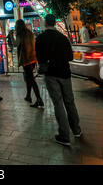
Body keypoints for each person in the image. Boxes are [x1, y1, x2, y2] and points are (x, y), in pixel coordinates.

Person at [36, 14, 81, 146]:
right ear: (55, 23)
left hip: (51, 74)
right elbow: (70, 56)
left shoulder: (41, 38)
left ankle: (64, 135)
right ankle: (76, 130)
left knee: (58, 103)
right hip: (65, 73)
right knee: (70, 102)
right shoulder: (63, 38)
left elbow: (40, 58)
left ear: (45, 23)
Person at [15, 19, 44, 108]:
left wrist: (11, 37)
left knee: (31, 79)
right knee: (29, 78)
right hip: (32, 58)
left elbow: (16, 44)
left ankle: (39, 99)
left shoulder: (20, 34)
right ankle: (28, 96)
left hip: (26, 59)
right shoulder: (30, 33)